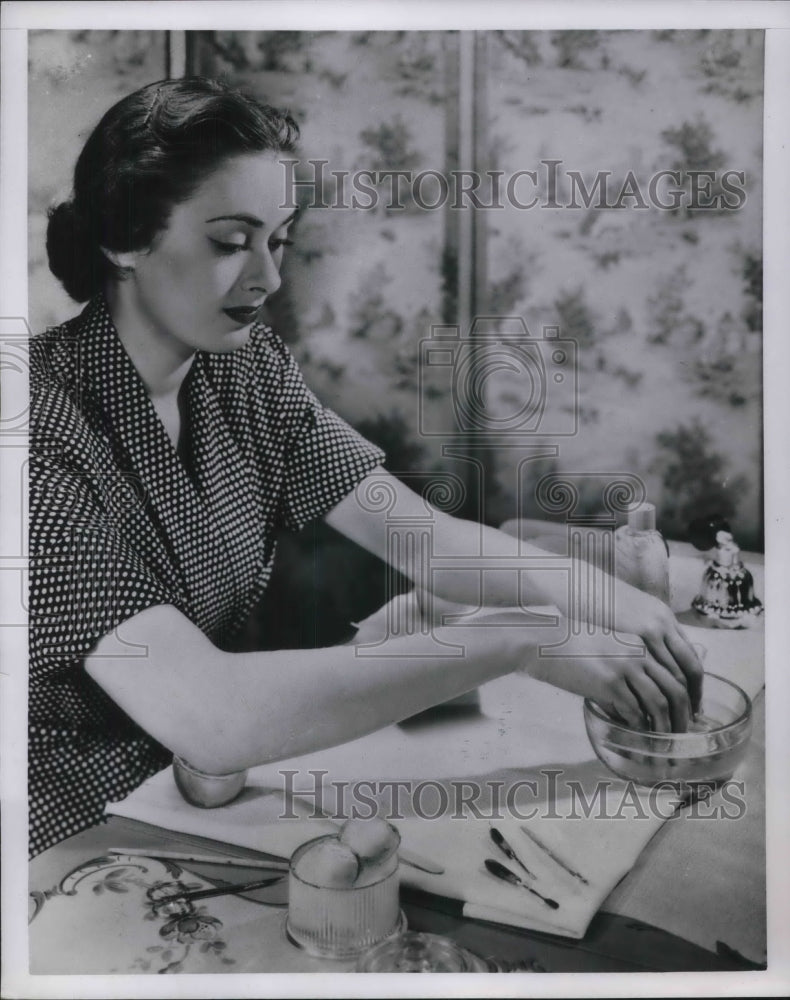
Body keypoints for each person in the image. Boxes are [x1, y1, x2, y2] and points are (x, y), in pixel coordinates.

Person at [30, 77, 702, 858]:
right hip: (65, 832)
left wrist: (611, 600)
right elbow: (215, 712)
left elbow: (427, 542)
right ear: (125, 238)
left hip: (202, 788)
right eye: (229, 241)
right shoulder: (29, 430)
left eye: (277, 240)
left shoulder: (239, 371)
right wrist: (525, 639)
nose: (268, 278)